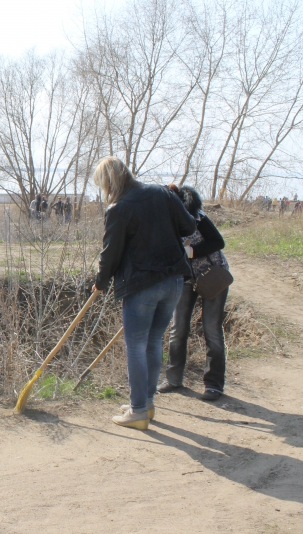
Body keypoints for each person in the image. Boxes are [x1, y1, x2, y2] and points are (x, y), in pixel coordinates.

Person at [92, 157, 196, 430]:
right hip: (173, 280)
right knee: (153, 342)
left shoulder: (119, 208)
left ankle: (138, 409)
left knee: (136, 346)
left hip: (142, 285)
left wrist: (101, 282)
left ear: (110, 183)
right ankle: (146, 403)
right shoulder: (162, 192)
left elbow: (110, 253)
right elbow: (189, 226)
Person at [158, 185, 230, 401]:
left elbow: (219, 242)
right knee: (177, 329)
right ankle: (173, 379)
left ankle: (214, 385)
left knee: (212, 330)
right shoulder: (165, 222)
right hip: (185, 279)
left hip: (212, 276)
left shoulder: (198, 218)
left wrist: (191, 252)